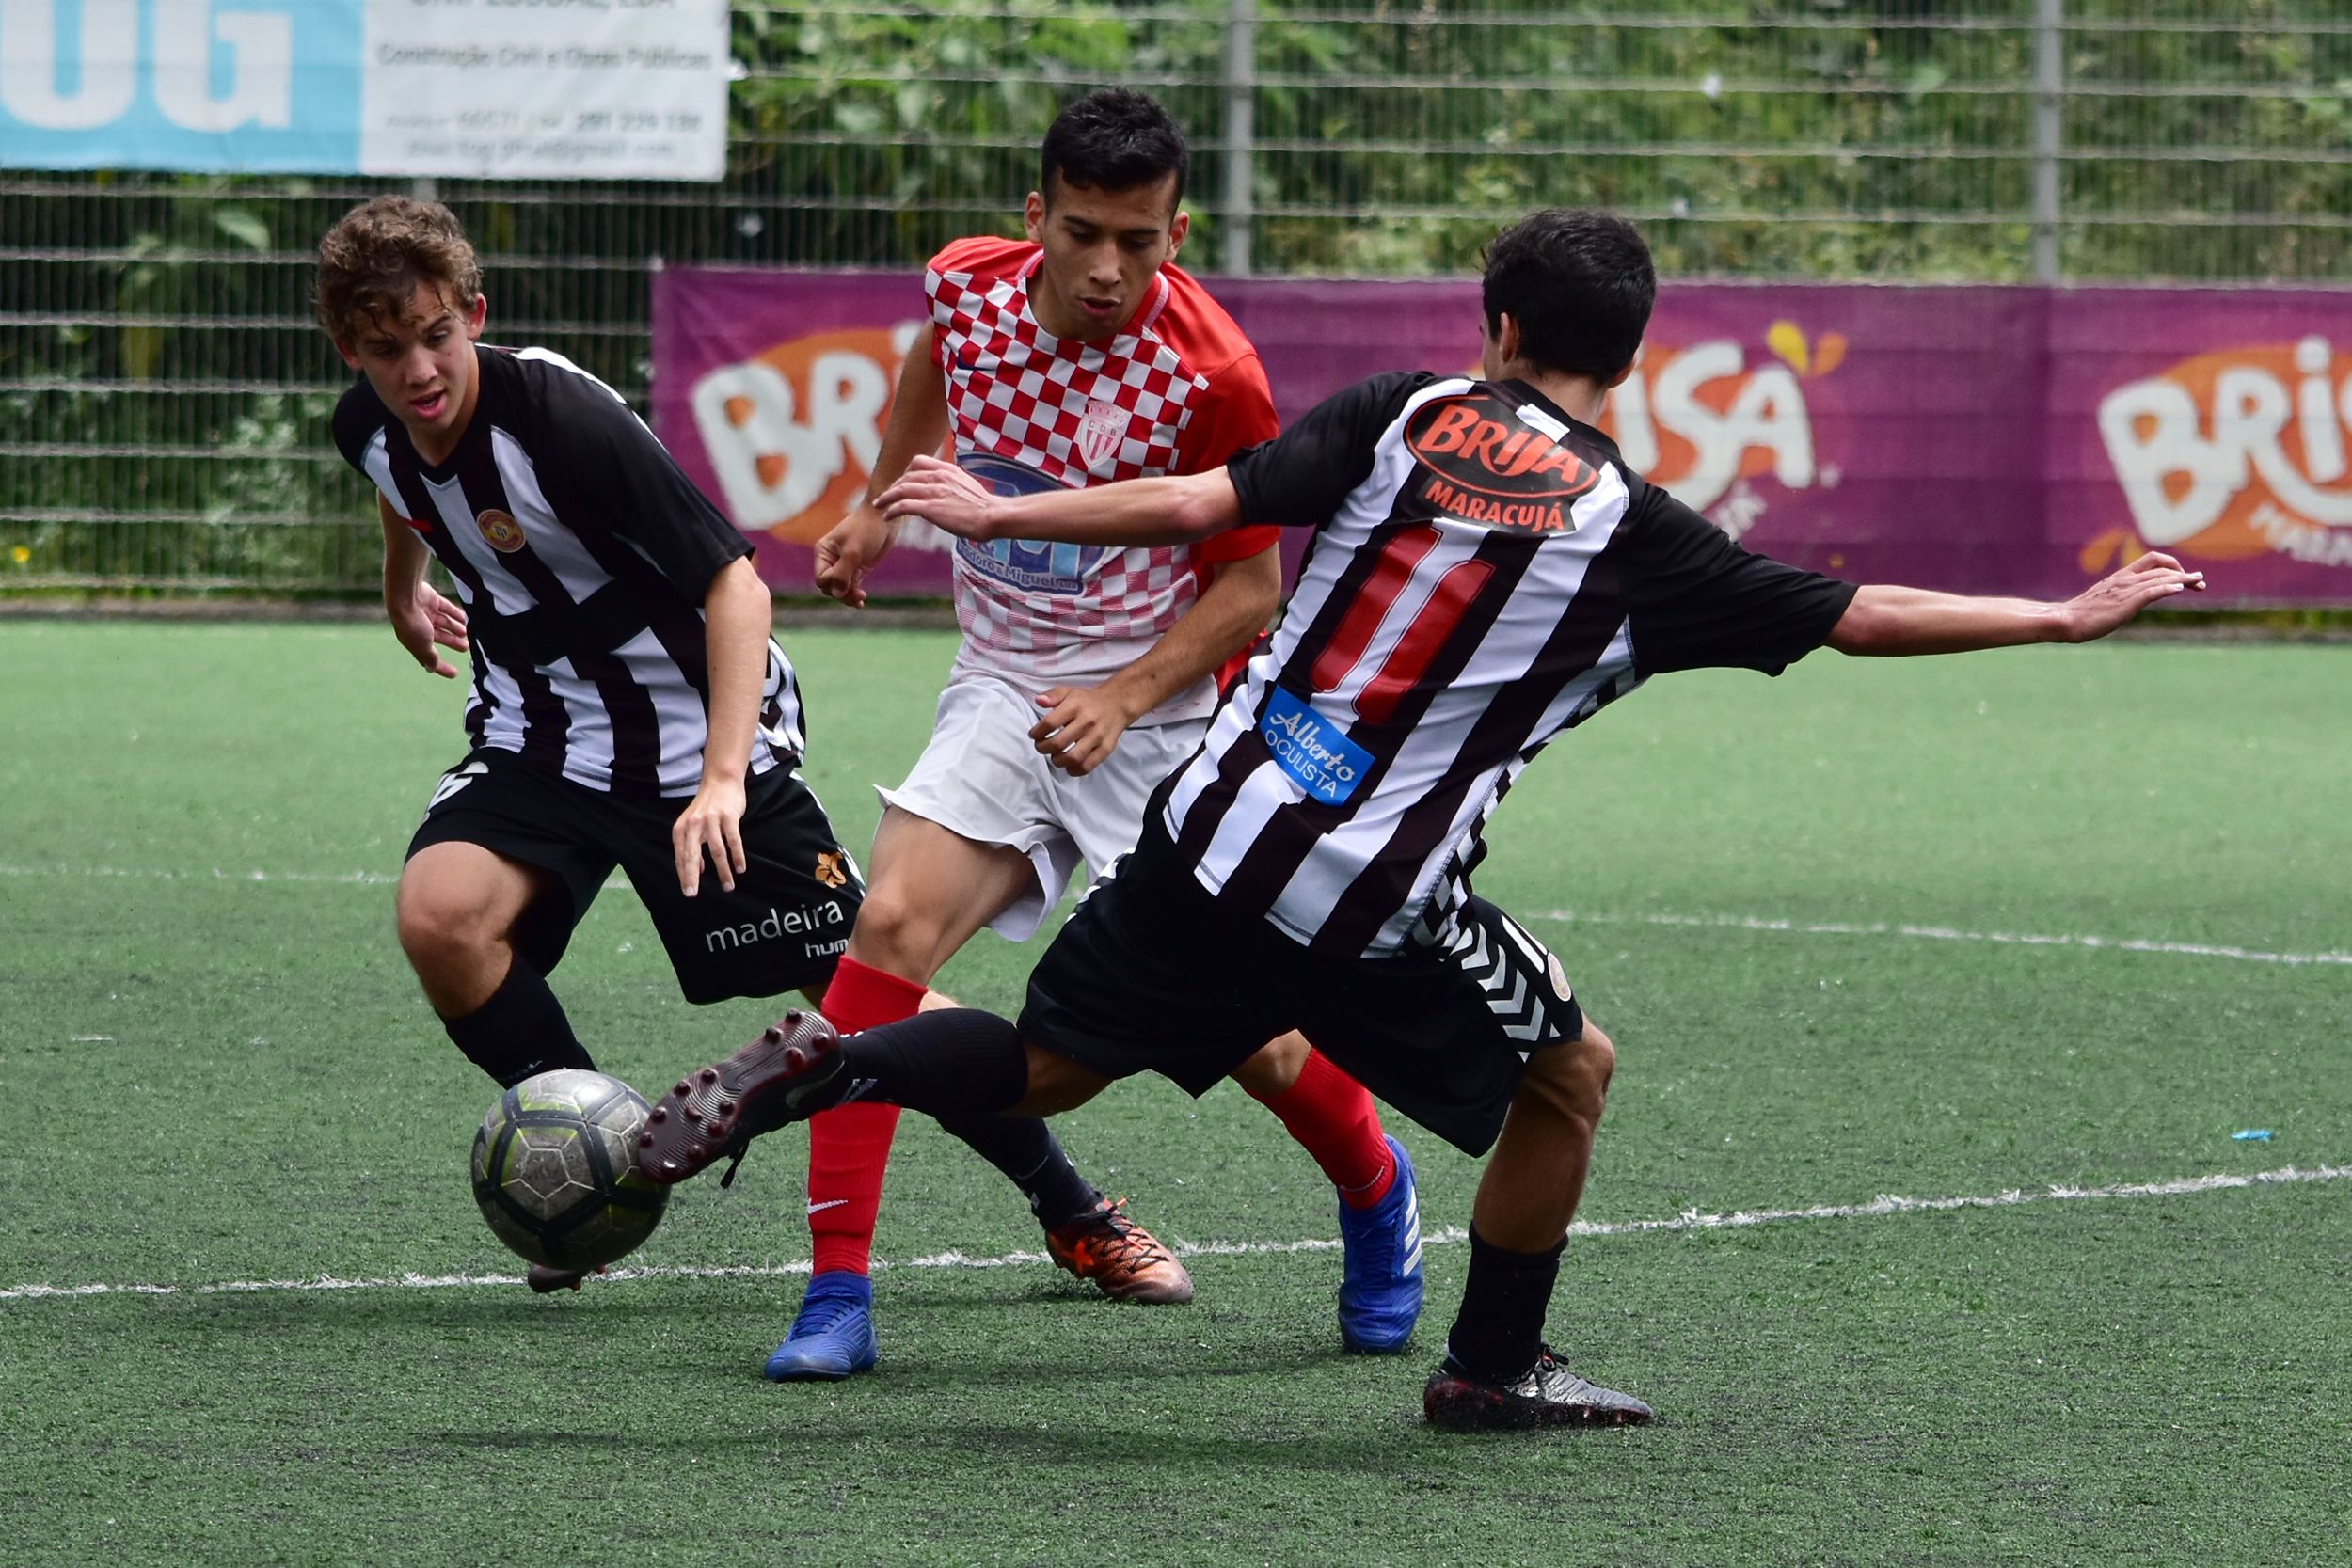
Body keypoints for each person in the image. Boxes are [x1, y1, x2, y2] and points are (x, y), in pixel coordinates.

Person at [636, 206, 2207, 1427]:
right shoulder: (1633, 532)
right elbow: (1858, 613)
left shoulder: (1403, 412)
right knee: (1572, 1073)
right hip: (1373, 906)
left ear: (1500, 326)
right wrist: (2061, 616)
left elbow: (1202, 504)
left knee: (1047, 1063)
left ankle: (833, 1058)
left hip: (1207, 828)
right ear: (1629, 359)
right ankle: (1493, 1366)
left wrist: (999, 507)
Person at [753, 87, 1423, 1383]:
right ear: (1036, 216)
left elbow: (1251, 589)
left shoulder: (1212, 372)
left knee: (1253, 1039)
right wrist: (883, 502)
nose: (1108, 266)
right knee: (886, 929)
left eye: (1138, 239)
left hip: (1158, 719)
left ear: (1179, 231)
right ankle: (836, 1291)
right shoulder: (966, 287)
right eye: (1081, 233)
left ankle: (1374, 1182)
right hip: (1003, 681)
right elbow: (933, 368)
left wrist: (1121, 696)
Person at [317, 196, 866, 1293]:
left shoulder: (559, 416)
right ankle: (598, 1164)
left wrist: (721, 779)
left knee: (866, 992)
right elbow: (400, 488)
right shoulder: (365, 424)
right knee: (440, 917)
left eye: (436, 335)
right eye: (386, 350)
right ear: (351, 352)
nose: (418, 369)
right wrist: (402, 587)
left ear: (475, 315)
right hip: (540, 734)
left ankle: (1069, 1202)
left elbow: (736, 585)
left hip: (690, 736)